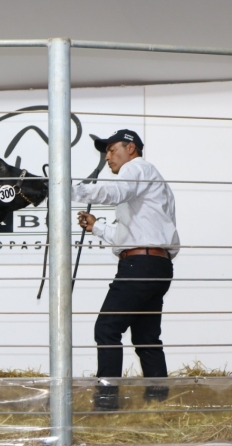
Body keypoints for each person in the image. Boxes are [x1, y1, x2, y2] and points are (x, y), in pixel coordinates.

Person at [71, 130, 180, 411]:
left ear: (131, 148)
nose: (107, 156)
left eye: (111, 149)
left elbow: (113, 191)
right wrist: (96, 227)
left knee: (107, 328)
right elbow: (136, 234)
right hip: (157, 264)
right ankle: (158, 405)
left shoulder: (137, 169)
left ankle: (107, 405)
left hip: (139, 265)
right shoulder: (152, 182)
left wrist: (67, 190)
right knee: (146, 338)